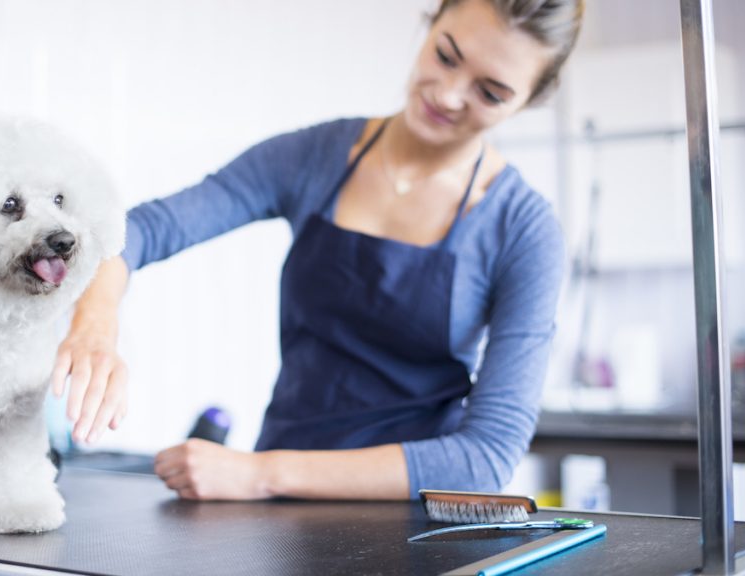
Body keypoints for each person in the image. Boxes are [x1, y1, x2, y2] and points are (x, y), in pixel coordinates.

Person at [51, 0, 583, 501]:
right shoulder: (314, 157)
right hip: (279, 517)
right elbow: (140, 230)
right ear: (432, 20)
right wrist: (96, 325)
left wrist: (262, 473)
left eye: (490, 93)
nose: (448, 95)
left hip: (417, 528)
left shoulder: (523, 230)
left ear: (530, 99)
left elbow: (485, 457)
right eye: (446, 56)